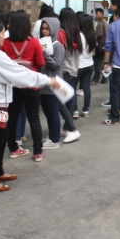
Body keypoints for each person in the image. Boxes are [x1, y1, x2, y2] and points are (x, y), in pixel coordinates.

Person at [0, 20, 59, 192]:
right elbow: (19, 74)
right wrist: (46, 79)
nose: (4, 36)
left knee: (2, 139)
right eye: (1, 33)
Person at [0, 11, 45, 161]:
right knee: (34, 119)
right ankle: (37, 152)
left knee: (12, 118)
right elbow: (41, 63)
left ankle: (13, 148)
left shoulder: (5, 43)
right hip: (31, 85)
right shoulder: (34, 42)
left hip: (13, 86)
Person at [38, 17, 80, 148]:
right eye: (43, 29)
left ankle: (54, 139)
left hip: (54, 84)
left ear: (53, 29)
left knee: (53, 113)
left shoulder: (58, 46)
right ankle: (52, 135)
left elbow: (56, 65)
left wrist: (44, 54)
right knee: (47, 112)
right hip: (43, 85)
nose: (44, 31)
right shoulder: (41, 43)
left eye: (47, 29)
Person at [58, 8, 83, 119]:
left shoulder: (62, 34)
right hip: (73, 70)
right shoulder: (77, 34)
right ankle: (69, 123)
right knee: (68, 98)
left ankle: (69, 124)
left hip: (64, 71)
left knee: (58, 100)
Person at [77, 14, 96, 118]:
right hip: (89, 64)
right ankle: (85, 110)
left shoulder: (79, 35)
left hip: (79, 65)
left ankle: (74, 110)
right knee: (86, 88)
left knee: (73, 87)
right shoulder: (92, 35)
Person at [92, 8, 108, 85]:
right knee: (105, 63)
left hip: (101, 45)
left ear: (101, 14)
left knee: (97, 63)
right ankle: (105, 79)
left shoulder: (100, 23)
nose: (95, 15)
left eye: (97, 13)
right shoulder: (105, 22)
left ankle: (96, 79)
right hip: (106, 45)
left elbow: (99, 34)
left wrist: (95, 33)